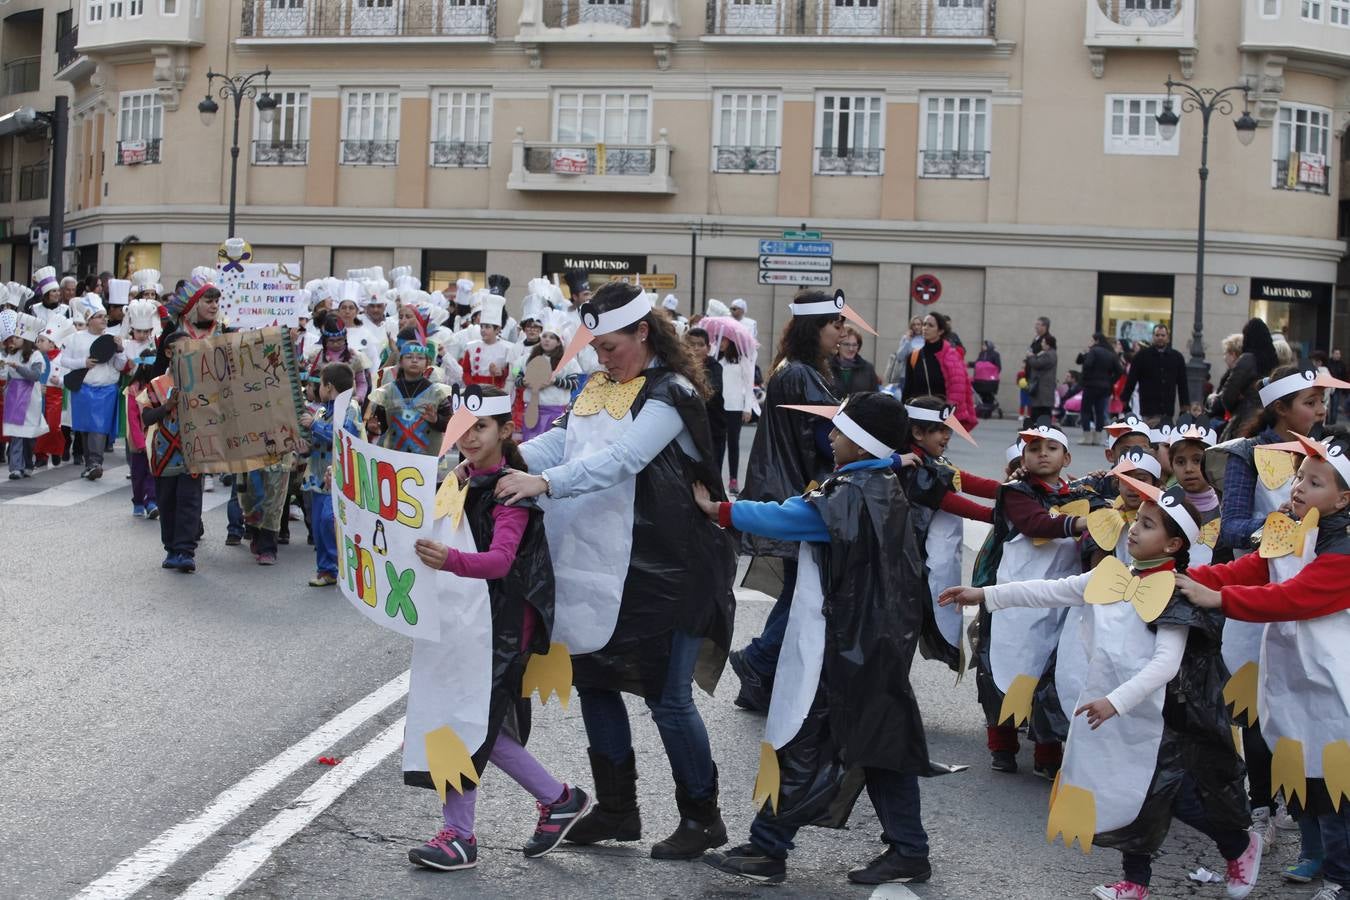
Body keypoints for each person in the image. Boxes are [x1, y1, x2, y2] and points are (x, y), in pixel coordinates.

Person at [494, 282, 737, 861]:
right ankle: (617, 808)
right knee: (595, 680)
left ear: (642, 333)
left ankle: (703, 817)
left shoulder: (671, 393)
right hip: (600, 561)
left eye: (608, 346)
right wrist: (507, 459)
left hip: (670, 566)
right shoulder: (601, 384)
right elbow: (567, 440)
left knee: (669, 698)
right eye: (595, 348)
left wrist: (545, 483)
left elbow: (625, 458)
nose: (600, 357)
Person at [944, 478, 1262, 900]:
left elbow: (1164, 664)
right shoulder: (1109, 576)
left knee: (1170, 797)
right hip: (1105, 705)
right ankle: (1135, 882)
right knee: (1117, 790)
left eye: (1148, 526)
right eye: (1138, 521)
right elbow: (1049, 591)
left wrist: (1117, 701)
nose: (1134, 529)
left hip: (1156, 716)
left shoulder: (1173, 595)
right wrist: (983, 593)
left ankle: (1239, 845)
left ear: (1171, 546)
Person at [698, 394, 946, 888]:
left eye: (838, 430)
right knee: (879, 745)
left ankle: (769, 848)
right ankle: (907, 849)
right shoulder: (873, 482)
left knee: (808, 740)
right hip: (871, 638)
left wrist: (719, 509)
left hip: (848, 642)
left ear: (860, 440)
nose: (829, 436)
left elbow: (791, 518)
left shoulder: (855, 491)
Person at [400, 386, 589, 870]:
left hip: (503, 627)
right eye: (462, 426)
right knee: (465, 723)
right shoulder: (459, 479)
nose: (468, 436)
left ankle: (461, 836)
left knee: (466, 726)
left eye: (480, 427)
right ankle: (557, 798)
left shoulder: (510, 490)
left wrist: (449, 560)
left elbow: (501, 561)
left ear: (505, 431)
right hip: (465, 618)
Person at [1180, 430, 1350, 900]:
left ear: (1343, 498)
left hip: (1334, 684)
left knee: (1335, 782)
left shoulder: (1344, 550)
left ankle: (1342, 875)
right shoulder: (1287, 533)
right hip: (1291, 677)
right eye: (1299, 477)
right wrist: (1178, 575)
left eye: (1315, 483)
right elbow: (1244, 570)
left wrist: (1217, 598)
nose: (1298, 488)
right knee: (1297, 769)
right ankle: (1313, 854)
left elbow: (1292, 597)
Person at [1211, 363, 1350, 848]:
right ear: (1281, 407)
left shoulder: (1332, 451)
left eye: (1321, 402)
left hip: (1311, 604)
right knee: (1260, 711)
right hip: (1259, 598)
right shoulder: (1248, 455)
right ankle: (1262, 807)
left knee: (1311, 711)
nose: (1320, 411)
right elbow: (1229, 529)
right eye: (1310, 402)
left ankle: (1311, 819)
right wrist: (1276, 534)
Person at [729, 290, 846, 711]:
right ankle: (757, 659)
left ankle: (757, 677)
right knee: (806, 590)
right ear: (815, 328)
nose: (842, 332)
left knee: (802, 587)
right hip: (797, 489)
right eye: (835, 325)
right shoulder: (800, 374)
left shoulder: (794, 370)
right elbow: (825, 437)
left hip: (789, 485)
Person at [972, 422, 1103, 778]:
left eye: (1050, 447)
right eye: (1033, 448)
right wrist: (1080, 524)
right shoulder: (1016, 492)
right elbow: (1035, 524)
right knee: (1005, 668)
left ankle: (1048, 749)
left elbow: (1107, 523)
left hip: (1061, 598)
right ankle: (1002, 744)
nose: (1042, 454)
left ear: (1066, 456)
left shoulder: (1084, 492)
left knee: (1053, 674)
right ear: (1023, 457)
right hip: (1016, 598)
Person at [894, 396, 994, 667]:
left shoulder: (930, 458)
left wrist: (1011, 491)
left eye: (949, 429)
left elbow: (965, 480)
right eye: (940, 430)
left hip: (913, 558)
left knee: (906, 626)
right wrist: (995, 514)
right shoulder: (912, 464)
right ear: (917, 432)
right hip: (902, 557)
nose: (948, 436)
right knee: (898, 627)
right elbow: (946, 499)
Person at [139, 331, 202, 573]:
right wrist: (168, 406)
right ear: (168, 353)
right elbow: (146, 416)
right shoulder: (156, 385)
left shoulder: (202, 381)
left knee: (190, 501)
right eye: (180, 349)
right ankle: (171, 549)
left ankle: (186, 551)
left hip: (194, 452)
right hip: (164, 454)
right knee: (167, 502)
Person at [365, 329, 456, 481]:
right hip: (394, 458)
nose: (414, 360)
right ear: (400, 362)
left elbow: (450, 424)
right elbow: (381, 425)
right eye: (409, 357)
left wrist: (436, 420)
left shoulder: (437, 392)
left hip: (425, 460)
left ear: (427, 363)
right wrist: (373, 427)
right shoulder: (387, 392)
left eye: (420, 358)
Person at [60, 294, 128, 480]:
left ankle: (96, 462)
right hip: (83, 389)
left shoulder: (113, 339)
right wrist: (83, 362)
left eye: (105, 316)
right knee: (85, 427)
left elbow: (121, 365)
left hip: (105, 390)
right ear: (89, 320)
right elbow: (64, 360)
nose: (104, 320)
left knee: (99, 428)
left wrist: (121, 351)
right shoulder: (76, 338)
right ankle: (90, 462)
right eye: (99, 316)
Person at [903, 312, 978, 432]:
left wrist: (947, 413)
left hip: (941, 415)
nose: (925, 328)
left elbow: (958, 388)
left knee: (935, 449)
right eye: (924, 324)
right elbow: (907, 389)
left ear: (940, 331)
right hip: (918, 415)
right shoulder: (914, 356)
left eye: (930, 325)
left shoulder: (952, 356)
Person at [514, 310, 581, 443]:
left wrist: (555, 381)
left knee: (550, 448)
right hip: (532, 412)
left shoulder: (568, 361)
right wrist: (524, 382)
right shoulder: (527, 358)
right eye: (545, 336)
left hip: (555, 413)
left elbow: (575, 383)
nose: (547, 340)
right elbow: (516, 377)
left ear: (558, 342)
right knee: (531, 446)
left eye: (551, 337)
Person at [1, 313, 48, 478]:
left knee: (27, 434)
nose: (14, 340)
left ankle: (27, 463)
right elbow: (9, 374)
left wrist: (18, 367)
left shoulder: (35, 355)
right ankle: (15, 467)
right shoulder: (12, 353)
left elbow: (35, 376)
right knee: (16, 433)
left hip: (29, 397)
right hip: (14, 395)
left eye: (17, 337)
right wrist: (6, 387)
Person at [1219, 318, 1281, 440]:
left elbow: (1227, 396)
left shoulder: (1247, 359)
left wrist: (1238, 400)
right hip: (1269, 420)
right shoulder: (1274, 361)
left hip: (1245, 420)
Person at [1120, 325, 1189, 423]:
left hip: (1167, 408)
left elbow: (1183, 383)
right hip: (1148, 407)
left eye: (1163, 335)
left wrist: (1184, 406)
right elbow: (1131, 380)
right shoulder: (1141, 356)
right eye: (1157, 335)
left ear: (1168, 338)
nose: (1160, 337)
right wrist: (1125, 401)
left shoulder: (1177, 357)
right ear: (1153, 337)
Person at [686, 327, 727, 489]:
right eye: (692, 344)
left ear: (708, 348)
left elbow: (713, 390)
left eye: (700, 345)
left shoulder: (715, 367)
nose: (696, 348)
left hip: (714, 428)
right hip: (691, 428)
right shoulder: (681, 367)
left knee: (713, 470)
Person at [1077, 333, 1123, 444]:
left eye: (1092, 340)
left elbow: (1087, 365)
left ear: (1096, 341)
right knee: (1100, 412)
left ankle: (1087, 436)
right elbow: (1119, 371)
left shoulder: (1093, 351)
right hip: (1104, 387)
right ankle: (1097, 437)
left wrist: (1085, 378)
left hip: (1091, 385)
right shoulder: (1110, 353)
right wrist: (1110, 381)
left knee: (1086, 410)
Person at [829, 326, 880, 396]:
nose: (851, 349)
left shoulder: (868, 368)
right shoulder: (827, 367)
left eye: (854, 345)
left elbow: (875, 397)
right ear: (838, 345)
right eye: (846, 344)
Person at [1024, 334, 1059, 425]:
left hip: (1043, 388)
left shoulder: (1049, 355)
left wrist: (1031, 356)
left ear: (1048, 344)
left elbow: (1037, 364)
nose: (1042, 344)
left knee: (1042, 409)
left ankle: (1040, 429)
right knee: (1039, 409)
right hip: (1043, 387)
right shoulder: (1047, 353)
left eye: (1043, 342)